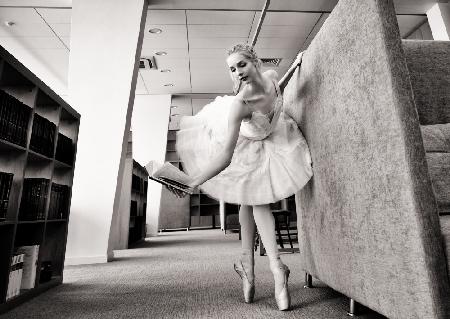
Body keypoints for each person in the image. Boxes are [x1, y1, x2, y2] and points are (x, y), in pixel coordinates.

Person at [171, 43, 313, 311]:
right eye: (232, 69)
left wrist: (296, 65)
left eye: (241, 65)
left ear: (256, 62)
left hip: (270, 138)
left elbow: (278, 86)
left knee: (250, 200)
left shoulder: (271, 76)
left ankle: (248, 269)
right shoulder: (240, 104)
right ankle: (276, 268)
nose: (237, 72)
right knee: (256, 198)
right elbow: (225, 156)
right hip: (239, 145)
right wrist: (193, 182)